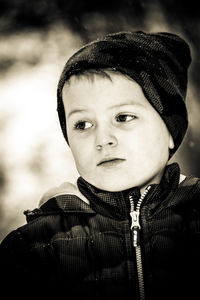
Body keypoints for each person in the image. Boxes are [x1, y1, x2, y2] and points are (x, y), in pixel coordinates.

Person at [0, 30, 200, 300]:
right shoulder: (36, 245)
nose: (103, 139)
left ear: (169, 130)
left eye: (123, 117)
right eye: (83, 124)